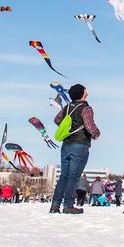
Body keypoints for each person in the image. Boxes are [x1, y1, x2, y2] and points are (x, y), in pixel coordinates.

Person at [50, 84, 101, 214]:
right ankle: (68, 205)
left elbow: (57, 120)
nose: (87, 91)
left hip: (66, 145)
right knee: (74, 177)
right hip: (80, 145)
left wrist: (69, 129)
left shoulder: (67, 107)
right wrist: (96, 133)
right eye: (85, 89)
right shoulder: (86, 108)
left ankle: (55, 205)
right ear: (82, 93)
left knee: (64, 176)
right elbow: (89, 125)